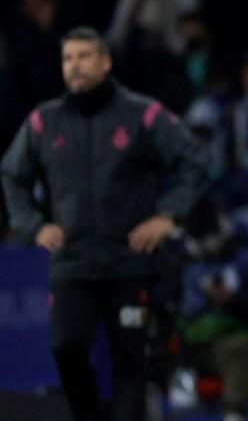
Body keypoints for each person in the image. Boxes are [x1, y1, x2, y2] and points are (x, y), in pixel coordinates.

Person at [1, 26, 207, 421]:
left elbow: (195, 161)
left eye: (83, 56)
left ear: (106, 61)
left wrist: (167, 216)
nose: (74, 66)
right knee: (66, 348)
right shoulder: (45, 121)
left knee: (130, 361)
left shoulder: (142, 114)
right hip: (72, 265)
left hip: (129, 265)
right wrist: (32, 225)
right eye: (67, 59)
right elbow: (11, 174)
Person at [178, 199, 248, 421]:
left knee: (237, 346)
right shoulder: (180, 262)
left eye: (211, 238)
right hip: (189, 346)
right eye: (201, 240)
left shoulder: (247, 259)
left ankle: (234, 415)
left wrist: (231, 301)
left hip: (231, 341)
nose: (208, 245)